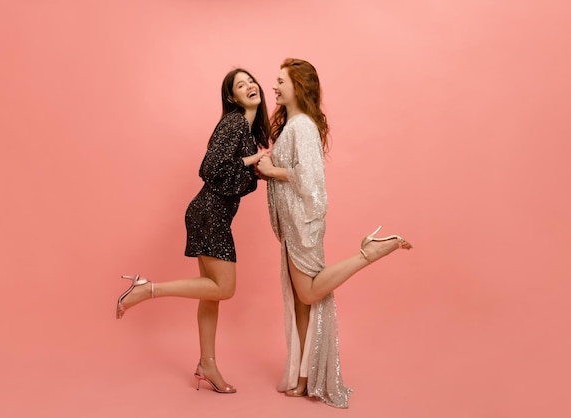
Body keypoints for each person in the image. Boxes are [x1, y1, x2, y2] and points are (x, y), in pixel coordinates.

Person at [256, 58, 412, 408]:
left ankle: (366, 253)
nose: (275, 86)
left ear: (298, 86)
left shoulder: (302, 127)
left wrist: (271, 170)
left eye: (280, 81)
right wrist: (266, 167)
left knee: (308, 294)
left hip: (302, 222)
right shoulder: (292, 126)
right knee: (301, 301)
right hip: (292, 222)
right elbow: (291, 171)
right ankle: (302, 376)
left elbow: (309, 181)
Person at [115, 68, 270, 394]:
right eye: (240, 85)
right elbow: (210, 169)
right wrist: (253, 160)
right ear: (232, 97)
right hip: (209, 213)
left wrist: (258, 168)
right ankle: (147, 289)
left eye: (251, 81)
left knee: (209, 294)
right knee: (223, 289)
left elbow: (233, 175)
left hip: (209, 213)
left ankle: (207, 364)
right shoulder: (235, 123)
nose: (249, 86)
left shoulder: (247, 131)